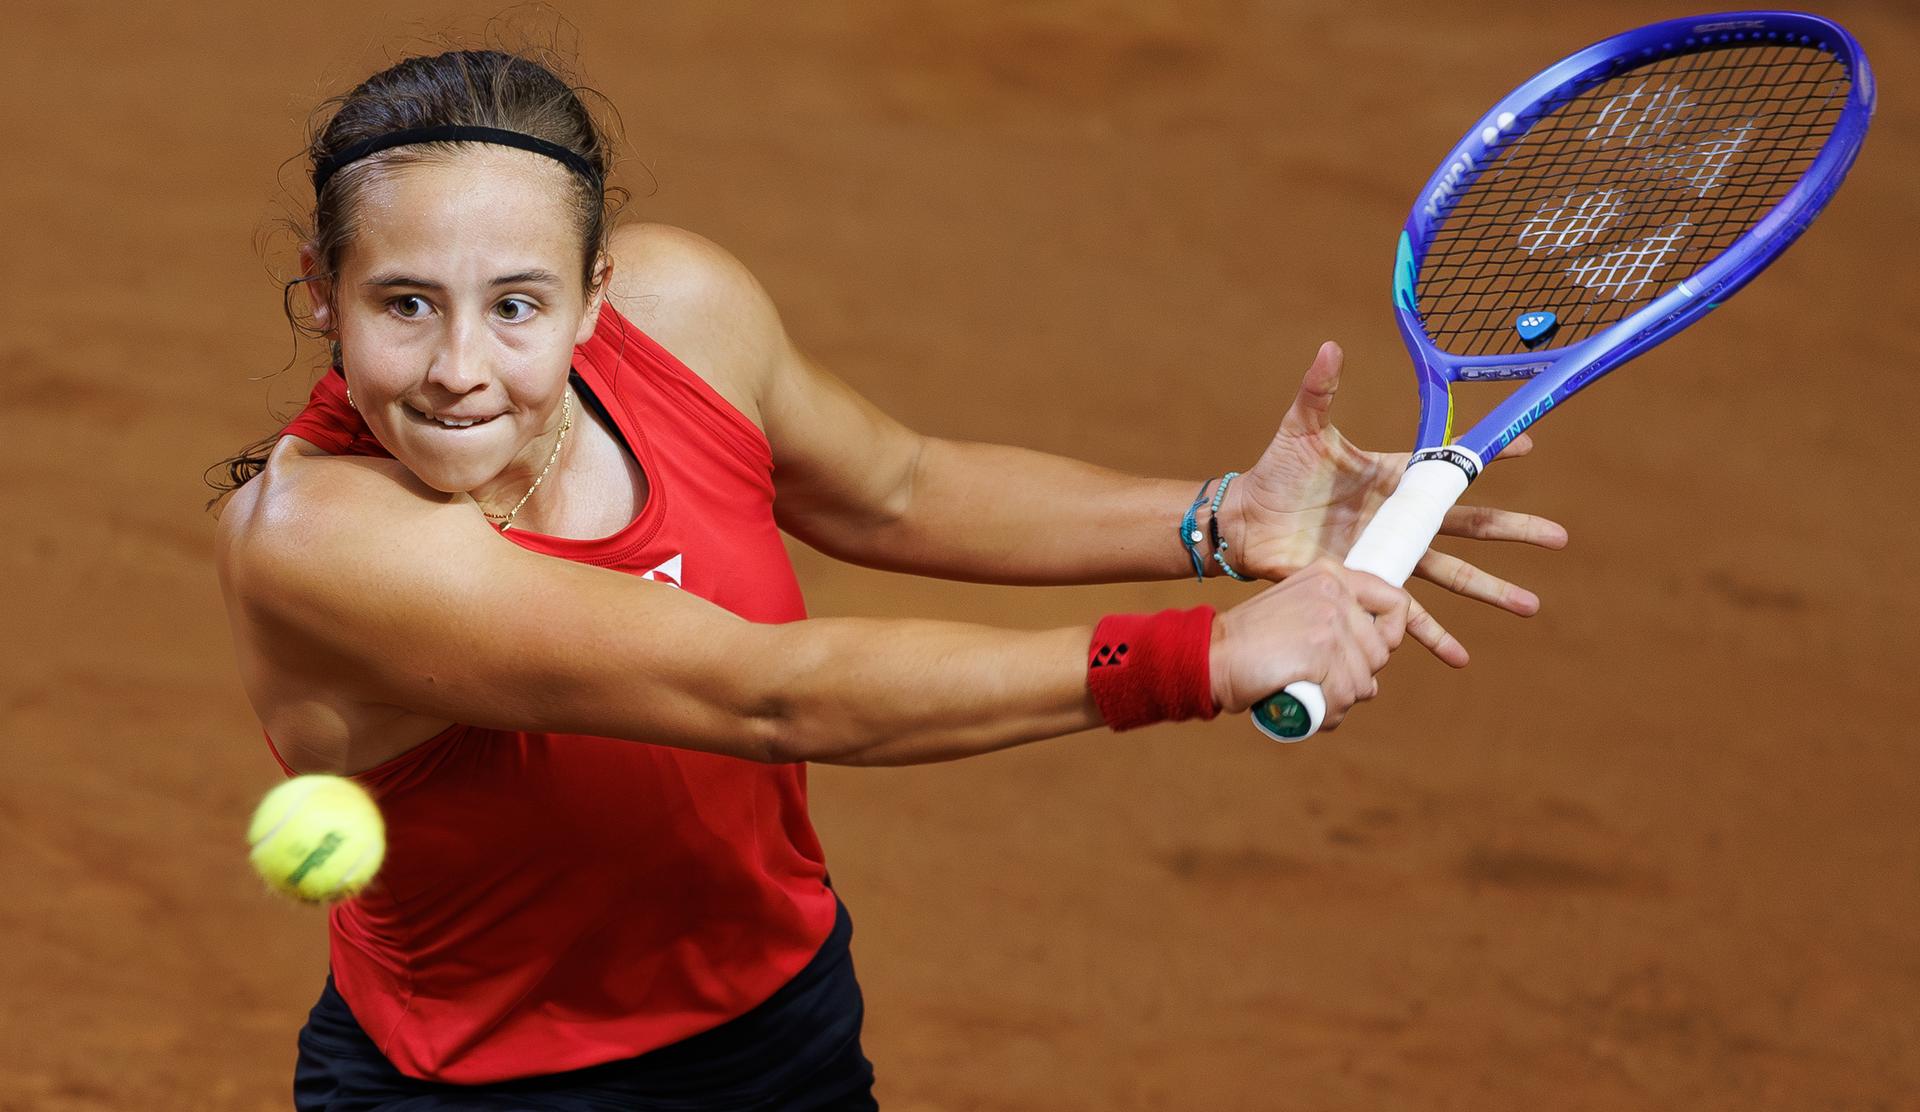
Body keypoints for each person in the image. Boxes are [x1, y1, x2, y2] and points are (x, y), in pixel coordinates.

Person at [211, 46, 1565, 1111]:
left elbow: (897, 486)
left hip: (778, 1021)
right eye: (404, 304)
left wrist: (1221, 517)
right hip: (492, 1093)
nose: (458, 367)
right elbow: (767, 697)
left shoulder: (684, 313)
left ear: (594, 289)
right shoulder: (324, 542)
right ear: (322, 291)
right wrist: (1201, 659)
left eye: (516, 303)